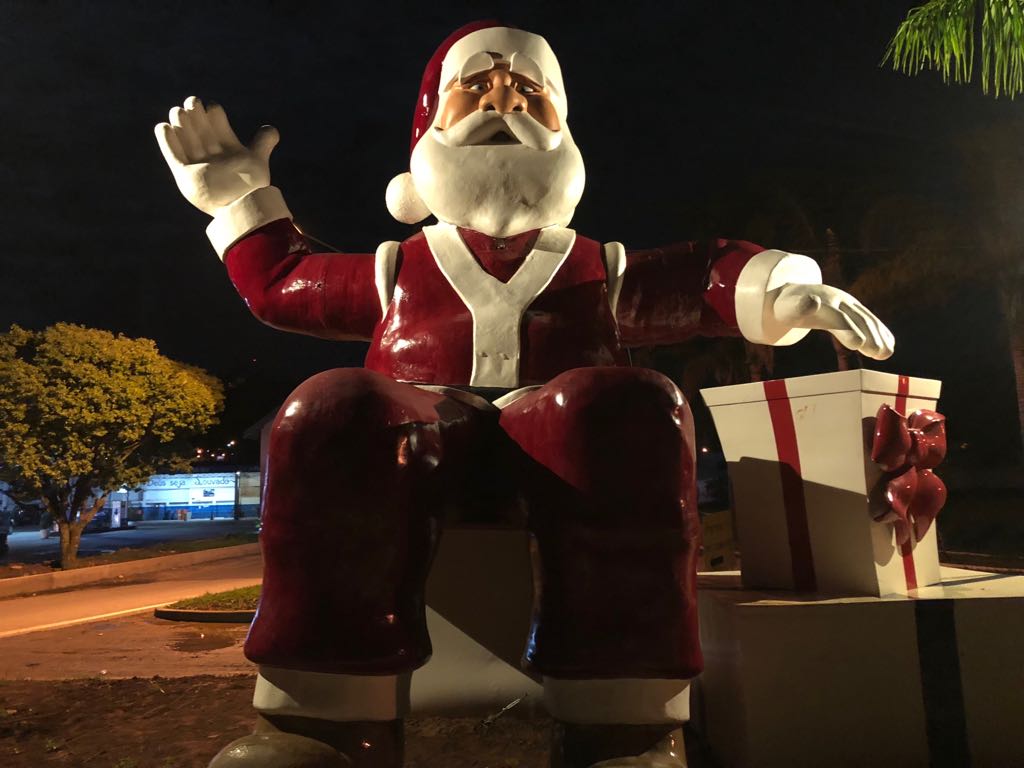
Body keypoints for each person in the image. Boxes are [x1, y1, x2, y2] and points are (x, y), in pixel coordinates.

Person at [156, 21, 893, 768]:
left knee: (627, 407)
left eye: (528, 93)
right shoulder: (397, 267)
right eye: (475, 88)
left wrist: (787, 289)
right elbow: (285, 284)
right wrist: (241, 200)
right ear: (427, 131)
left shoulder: (597, 269)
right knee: (337, 409)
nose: (501, 101)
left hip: (570, 439)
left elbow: (703, 275)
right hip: (415, 430)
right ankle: (322, 724)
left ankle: (625, 726)